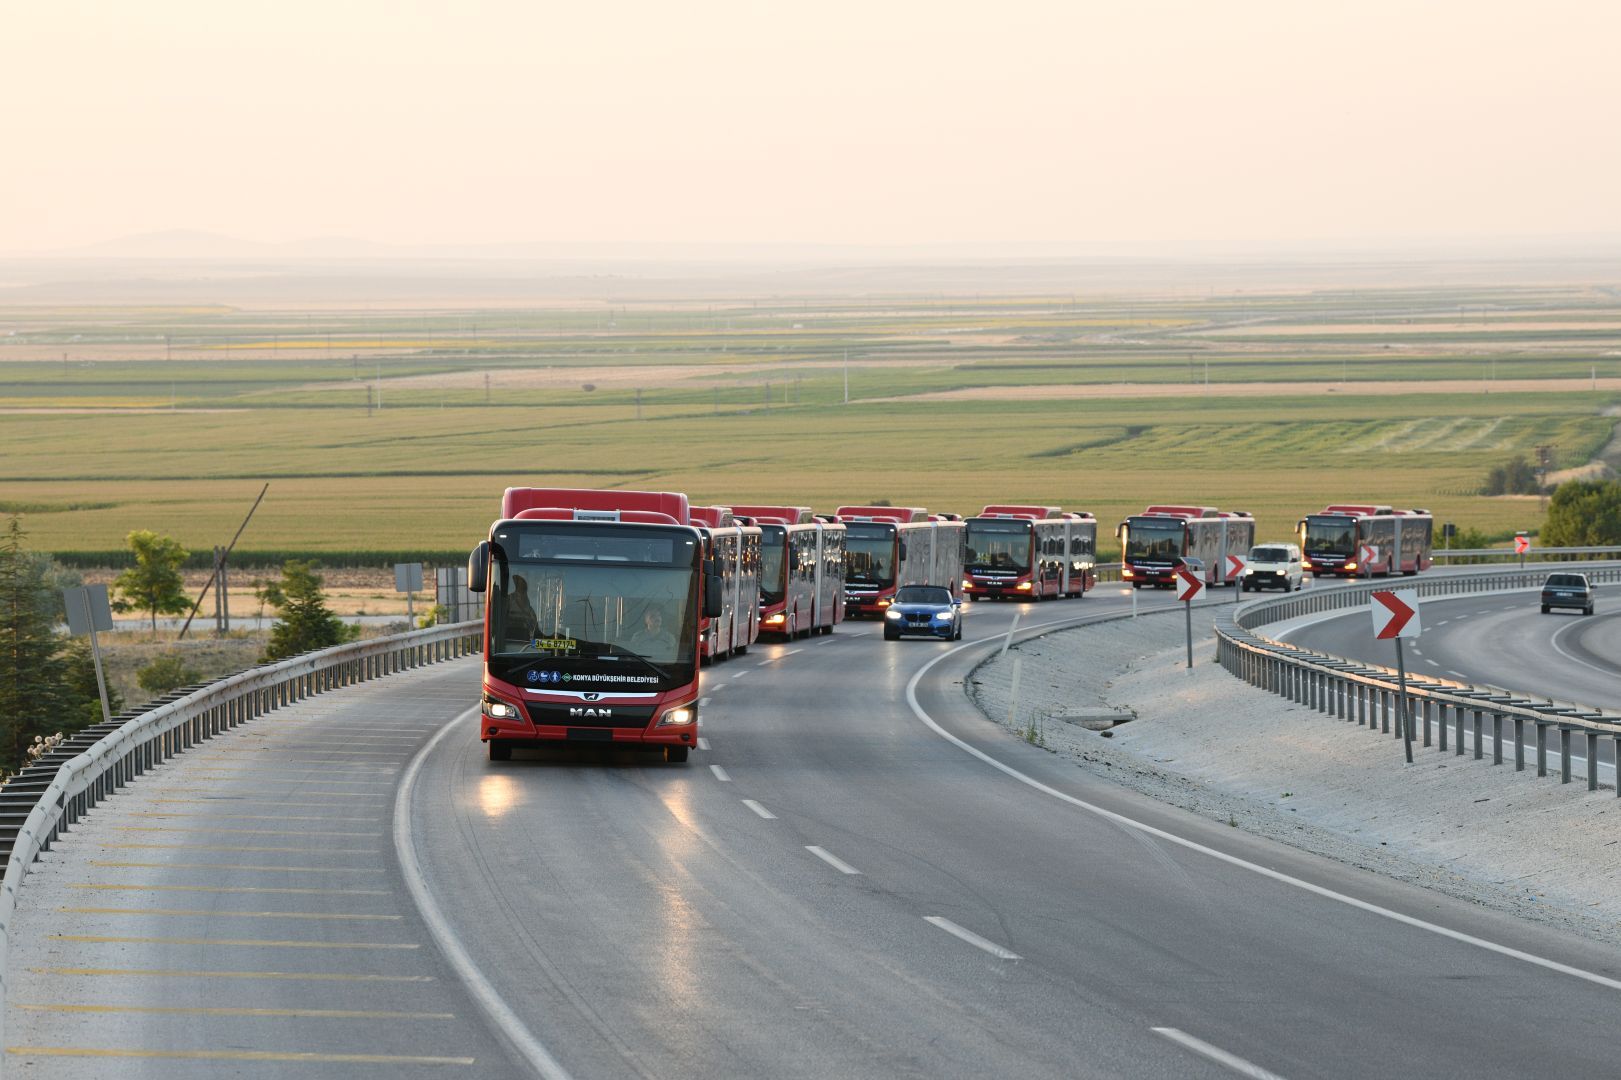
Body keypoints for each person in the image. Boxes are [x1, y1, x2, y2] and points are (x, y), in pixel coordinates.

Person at [505, 575, 538, 646]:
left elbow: (534, 622)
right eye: (520, 585)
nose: (522, 588)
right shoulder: (509, 599)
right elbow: (502, 618)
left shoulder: (529, 601)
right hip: (509, 636)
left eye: (523, 586)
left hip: (524, 638)